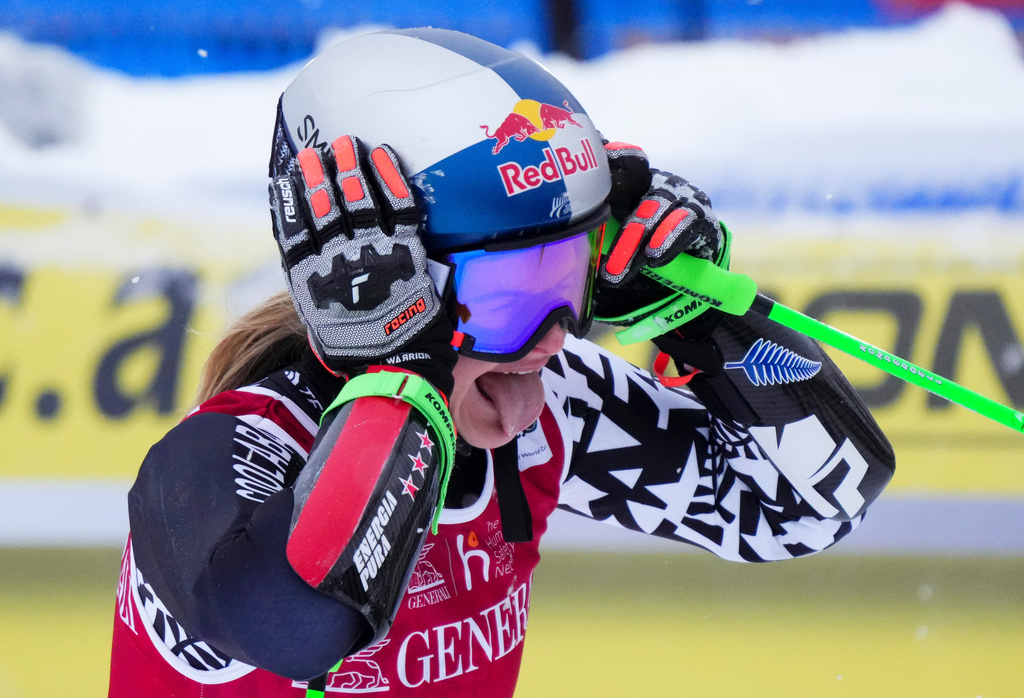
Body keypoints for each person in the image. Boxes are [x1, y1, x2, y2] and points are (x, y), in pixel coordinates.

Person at [107, 27, 895, 698]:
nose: (554, 338)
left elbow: (805, 501)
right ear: (378, 278)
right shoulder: (230, 451)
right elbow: (296, 624)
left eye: (571, 272)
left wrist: (707, 323)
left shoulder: (540, 404)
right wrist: (400, 373)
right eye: (513, 290)